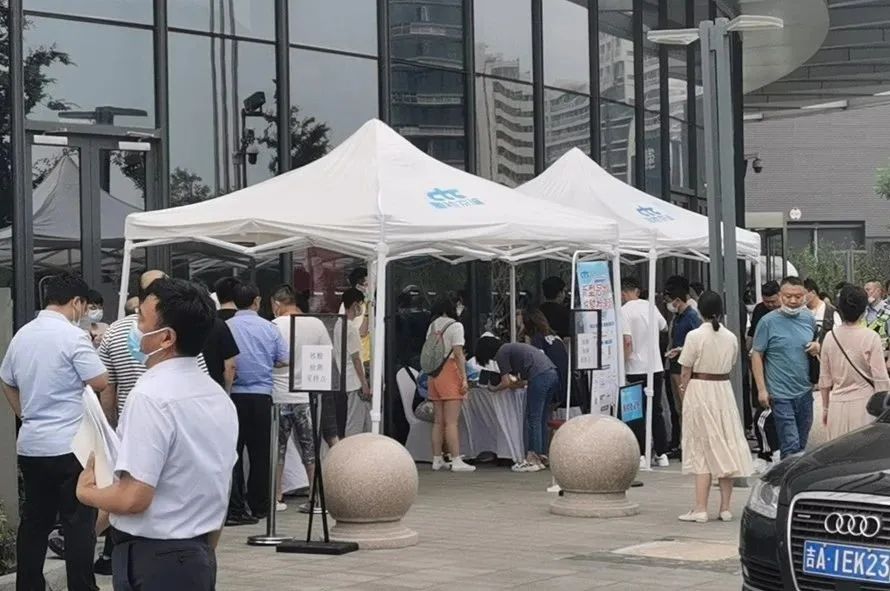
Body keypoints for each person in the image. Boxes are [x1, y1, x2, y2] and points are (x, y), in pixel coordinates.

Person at [76, 278, 238, 591]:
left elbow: (134, 497)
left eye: (141, 320)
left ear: (166, 337)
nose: (134, 328)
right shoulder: (217, 396)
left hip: (154, 558)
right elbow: (221, 485)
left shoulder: (150, 396)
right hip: (199, 552)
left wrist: (86, 493)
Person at [1, 272, 108, 591]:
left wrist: (25, 414)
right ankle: (81, 586)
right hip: (70, 445)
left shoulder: (23, 335)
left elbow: (6, 380)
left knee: (34, 522)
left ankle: (28, 585)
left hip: (32, 445)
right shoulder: (73, 336)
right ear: (76, 302)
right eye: (85, 307)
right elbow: (100, 381)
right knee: (78, 523)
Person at [676, 291, 753, 523]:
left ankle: (700, 508)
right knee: (725, 445)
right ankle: (725, 508)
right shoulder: (730, 337)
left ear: (700, 310)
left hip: (700, 389)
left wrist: (683, 391)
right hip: (723, 390)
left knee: (702, 448)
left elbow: (685, 370)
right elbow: (732, 363)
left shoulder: (694, 336)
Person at [270, 285, 339, 513]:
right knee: (310, 449)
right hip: (308, 395)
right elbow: (328, 356)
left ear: (277, 304)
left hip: (279, 394)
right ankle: (315, 497)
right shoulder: (316, 324)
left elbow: (270, 359)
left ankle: (276, 496)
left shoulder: (274, 326)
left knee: (278, 449)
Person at [227, 282, 289, 519]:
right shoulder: (269, 328)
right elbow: (285, 359)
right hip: (262, 396)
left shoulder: (227, 327)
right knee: (261, 454)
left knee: (233, 453)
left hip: (234, 396)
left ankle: (235, 506)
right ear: (257, 301)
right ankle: (260, 506)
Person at [752, 276, 821, 456]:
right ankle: (788, 472)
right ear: (780, 295)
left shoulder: (808, 318)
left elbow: (815, 341)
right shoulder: (767, 322)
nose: (793, 301)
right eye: (788, 296)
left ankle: (791, 472)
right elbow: (757, 354)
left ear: (805, 296)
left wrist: (817, 346)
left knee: (802, 444)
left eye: (798, 296)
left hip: (805, 391)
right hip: (780, 393)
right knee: (791, 444)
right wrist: (762, 389)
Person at [475, 336, 559, 473]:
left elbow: (506, 382)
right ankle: (542, 455)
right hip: (551, 373)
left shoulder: (502, 353)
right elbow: (521, 382)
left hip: (539, 377)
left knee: (533, 418)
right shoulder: (512, 348)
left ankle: (533, 458)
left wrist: (494, 388)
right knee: (542, 418)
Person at [819, 284, 890, 440]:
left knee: (838, 451)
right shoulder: (871, 337)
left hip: (837, 405)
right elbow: (881, 379)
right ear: (864, 309)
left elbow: (824, 379)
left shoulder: (830, 337)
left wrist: (825, 408)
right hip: (866, 406)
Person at [620, 277, 670, 468]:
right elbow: (664, 326)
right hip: (655, 367)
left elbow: (627, 342)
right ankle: (662, 453)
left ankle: (640, 454)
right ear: (637, 291)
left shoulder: (624, 311)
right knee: (656, 410)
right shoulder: (650, 306)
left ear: (623, 293)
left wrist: (622, 363)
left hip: (634, 368)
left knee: (634, 412)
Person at [426, 297, 474, 472]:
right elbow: (458, 353)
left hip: (434, 373)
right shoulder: (456, 326)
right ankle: (456, 459)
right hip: (450, 372)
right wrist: (464, 378)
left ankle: (437, 458)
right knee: (452, 422)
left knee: (438, 421)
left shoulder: (432, 326)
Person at [664, 276, 702, 447]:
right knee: (680, 408)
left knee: (687, 407)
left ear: (678, 300)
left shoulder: (691, 317)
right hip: (675, 367)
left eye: (669, 301)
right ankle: (684, 442)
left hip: (684, 368)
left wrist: (681, 349)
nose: (669, 304)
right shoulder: (678, 317)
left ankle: (692, 442)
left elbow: (699, 341)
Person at [336, 288, 373, 437]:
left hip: (347, 379)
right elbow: (356, 358)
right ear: (354, 305)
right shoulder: (351, 328)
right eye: (360, 304)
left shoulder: (339, 324)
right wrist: (364, 383)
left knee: (363, 420)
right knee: (354, 423)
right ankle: (350, 449)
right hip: (355, 382)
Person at [518, 307, 569, 409]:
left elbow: (536, 367)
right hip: (563, 387)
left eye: (520, 325)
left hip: (548, 388)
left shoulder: (537, 339)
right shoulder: (555, 338)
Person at [864, 280, 890, 350]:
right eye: (864, 290)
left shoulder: (888, 311)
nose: (865, 293)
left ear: (878, 291)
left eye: (868, 290)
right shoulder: (863, 311)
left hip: (882, 353)